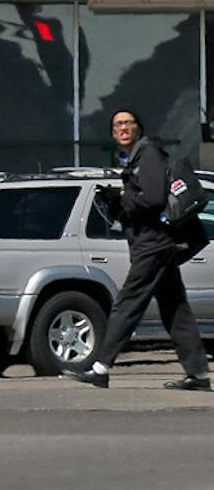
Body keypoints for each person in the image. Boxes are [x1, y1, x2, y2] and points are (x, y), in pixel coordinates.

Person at [64, 108, 211, 391]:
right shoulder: (136, 158)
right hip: (156, 242)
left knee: (127, 304)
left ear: (138, 127)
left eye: (128, 123)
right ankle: (199, 374)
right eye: (117, 124)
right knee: (175, 308)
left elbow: (154, 198)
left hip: (154, 243)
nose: (123, 128)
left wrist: (122, 200)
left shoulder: (148, 154)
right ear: (113, 132)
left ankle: (100, 368)